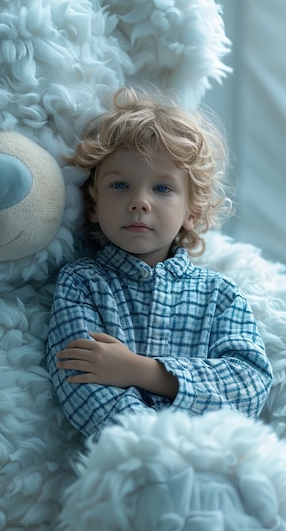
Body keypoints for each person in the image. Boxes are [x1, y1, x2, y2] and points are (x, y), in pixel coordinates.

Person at [46, 87, 273, 438]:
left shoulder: (219, 295)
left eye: (163, 189)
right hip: (125, 466)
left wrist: (141, 371)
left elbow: (250, 386)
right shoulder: (82, 284)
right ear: (92, 205)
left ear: (192, 212)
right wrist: (154, 447)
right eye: (120, 185)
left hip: (210, 462)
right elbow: (81, 387)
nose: (139, 202)